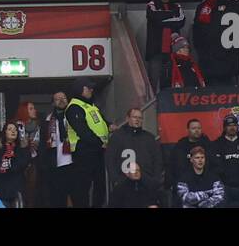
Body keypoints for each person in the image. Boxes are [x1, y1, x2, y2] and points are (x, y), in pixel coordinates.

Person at [191, 0, 239, 86]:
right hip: (207, 60)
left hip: (227, 59)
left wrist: (228, 46)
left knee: (228, 94)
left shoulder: (232, 3)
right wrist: (200, 49)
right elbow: (196, 29)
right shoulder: (203, 5)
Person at [65, 78, 108, 208]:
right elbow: (83, 131)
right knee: (82, 187)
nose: (91, 90)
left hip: (97, 151)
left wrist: (109, 126)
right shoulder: (74, 108)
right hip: (84, 152)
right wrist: (99, 142)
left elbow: (98, 123)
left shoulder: (90, 105)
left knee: (100, 185)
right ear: (81, 89)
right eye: (88, 88)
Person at [104, 107, 164, 192]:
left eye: (140, 118)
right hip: (124, 182)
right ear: (127, 118)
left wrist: (155, 179)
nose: (137, 120)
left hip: (146, 182)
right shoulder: (117, 137)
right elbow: (110, 159)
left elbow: (158, 160)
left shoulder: (149, 138)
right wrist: (116, 180)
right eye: (135, 117)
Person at [144, 0, 186, 91]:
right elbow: (154, 17)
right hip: (156, 52)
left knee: (172, 83)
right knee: (153, 84)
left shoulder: (176, 5)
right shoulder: (152, 4)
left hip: (173, 53)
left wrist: (162, 18)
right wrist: (172, 16)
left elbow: (181, 20)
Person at [42, 92, 75, 208]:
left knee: (76, 195)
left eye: (64, 98)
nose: (61, 100)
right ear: (52, 103)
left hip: (74, 162)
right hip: (56, 164)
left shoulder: (74, 116)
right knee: (58, 197)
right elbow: (43, 144)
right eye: (57, 99)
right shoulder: (48, 120)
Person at [0, 121, 31, 206]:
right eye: (10, 129)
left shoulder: (21, 148)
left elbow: (23, 163)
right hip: (1, 188)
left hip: (16, 187)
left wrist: (9, 166)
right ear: (4, 132)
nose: (13, 131)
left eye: (15, 130)